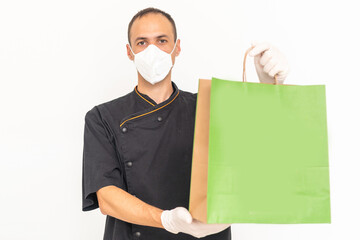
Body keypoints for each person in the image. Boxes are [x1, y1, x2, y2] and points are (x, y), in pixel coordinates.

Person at [82, 7, 290, 240]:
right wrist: (166, 220)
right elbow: (107, 197)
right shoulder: (102, 117)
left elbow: (262, 152)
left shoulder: (210, 107)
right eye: (142, 43)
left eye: (162, 40)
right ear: (130, 52)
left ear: (177, 47)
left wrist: (271, 89)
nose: (152, 50)